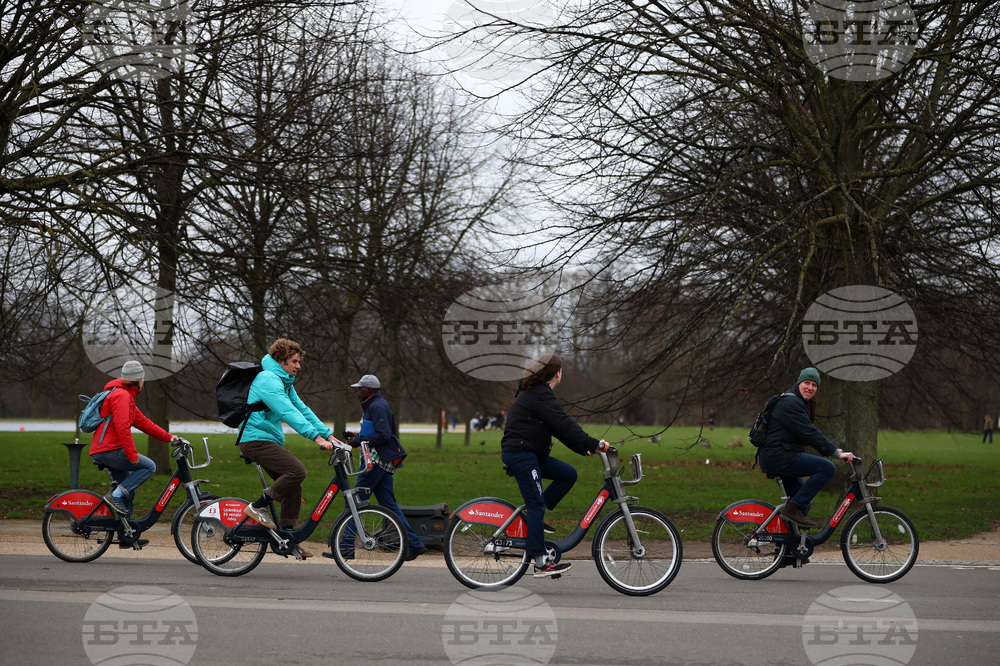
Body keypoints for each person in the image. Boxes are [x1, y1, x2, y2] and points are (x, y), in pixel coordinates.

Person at [501, 354, 610, 578]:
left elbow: (559, 429)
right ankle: (540, 562)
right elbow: (564, 424)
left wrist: (584, 448)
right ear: (557, 373)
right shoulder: (539, 394)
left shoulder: (539, 393)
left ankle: (537, 521)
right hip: (521, 454)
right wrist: (595, 443)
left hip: (530, 453)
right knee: (536, 506)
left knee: (568, 474)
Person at [239, 339, 336, 557]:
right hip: (254, 440)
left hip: (267, 440)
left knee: (294, 488)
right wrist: (315, 438)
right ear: (281, 361)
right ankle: (257, 507)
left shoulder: (285, 382)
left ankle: (287, 538)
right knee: (298, 470)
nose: (298, 366)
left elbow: (302, 409)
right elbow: (286, 412)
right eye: (294, 361)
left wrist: (328, 434)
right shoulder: (267, 380)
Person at [325, 374, 427, 562]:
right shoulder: (374, 405)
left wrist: (359, 440)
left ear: (370, 390)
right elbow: (377, 433)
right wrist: (357, 436)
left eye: (360, 389)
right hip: (382, 464)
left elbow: (384, 435)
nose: (358, 392)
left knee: (354, 503)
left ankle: (346, 547)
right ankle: (414, 544)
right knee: (390, 507)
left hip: (375, 464)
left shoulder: (377, 406)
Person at [88, 360, 182, 547]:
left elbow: (145, 423)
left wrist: (169, 437)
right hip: (109, 450)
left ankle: (126, 534)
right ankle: (114, 496)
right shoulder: (121, 396)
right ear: (139, 380)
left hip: (106, 448)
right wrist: (132, 456)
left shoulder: (126, 398)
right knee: (149, 466)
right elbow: (123, 428)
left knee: (127, 492)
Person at [758, 367, 855, 530]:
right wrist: (835, 452)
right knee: (827, 468)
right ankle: (791, 509)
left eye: (814, 385)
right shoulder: (791, 403)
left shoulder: (798, 402)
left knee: (803, 505)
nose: (810, 387)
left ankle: (789, 552)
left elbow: (806, 433)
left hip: (780, 455)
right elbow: (809, 432)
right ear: (799, 383)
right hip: (780, 456)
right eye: (806, 383)